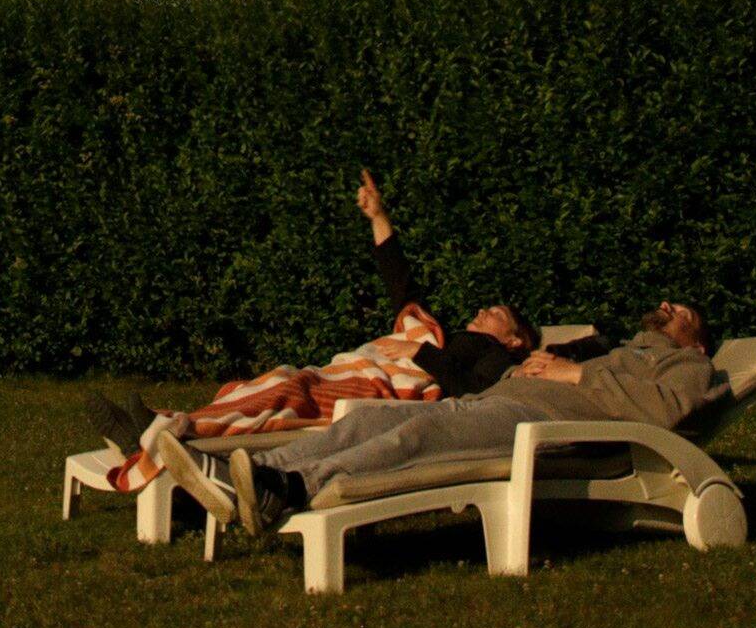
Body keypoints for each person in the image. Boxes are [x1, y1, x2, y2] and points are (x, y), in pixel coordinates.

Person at [86, 172, 539, 498]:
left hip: (384, 389)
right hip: (353, 368)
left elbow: (477, 390)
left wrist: (419, 352)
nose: (482, 311)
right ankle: (159, 430)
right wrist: (378, 216)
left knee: (287, 392)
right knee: (271, 383)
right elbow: (400, 282)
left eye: (496, 312)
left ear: (516, 339)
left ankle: (163, 434)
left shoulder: (495, 358)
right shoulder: (437, 330)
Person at [171, 298, 719, 536]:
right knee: (364, 423)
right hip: (502, 403)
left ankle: (286, 488)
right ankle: (242, 472)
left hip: (535, 427)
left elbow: (665, 412)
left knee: (420, 432)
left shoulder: (688, 368)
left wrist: (572, 376)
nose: (668, 307)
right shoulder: (627, 352)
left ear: (697, 340)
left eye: (681, 310)